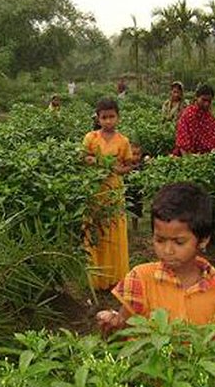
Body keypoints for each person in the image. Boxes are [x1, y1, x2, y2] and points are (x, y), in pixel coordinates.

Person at [96, 182, 215, 336]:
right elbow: (124, 332)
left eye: (179, 242)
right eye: (160, 240)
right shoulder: (140, 279)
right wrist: (112, 325)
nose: (167, 250)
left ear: (203, 240)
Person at [83, 98, 133, 290]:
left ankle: (114, 277)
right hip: (95, 189)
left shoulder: (123, 141)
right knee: (95, 229)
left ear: (118, 117)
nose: (108, 121)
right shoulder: (90, 138)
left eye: (112, 117)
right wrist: (95, 162)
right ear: (98, 118)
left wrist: (118, 169)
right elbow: (82, 157)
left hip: (113, 190)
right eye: (104, 117)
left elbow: (128, 165)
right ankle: (96, 277)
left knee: (113, 228)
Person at [172, 84, 215, 156]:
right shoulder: (188, 114)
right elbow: (183, 144)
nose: (206, 104)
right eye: (203, 100)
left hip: (206, 156)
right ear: (196, 98)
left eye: (209, 101)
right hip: (188, 156)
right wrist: (189, 160)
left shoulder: (210, 118)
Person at [125, 142, 147, 232]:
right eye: (133, 154)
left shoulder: (141, 166)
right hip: (127, 192)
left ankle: (135, 228)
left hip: (137, 193)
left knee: (137, 209)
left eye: (138, 154)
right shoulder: (126, 167)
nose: (136, 157)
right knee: (126, 209)